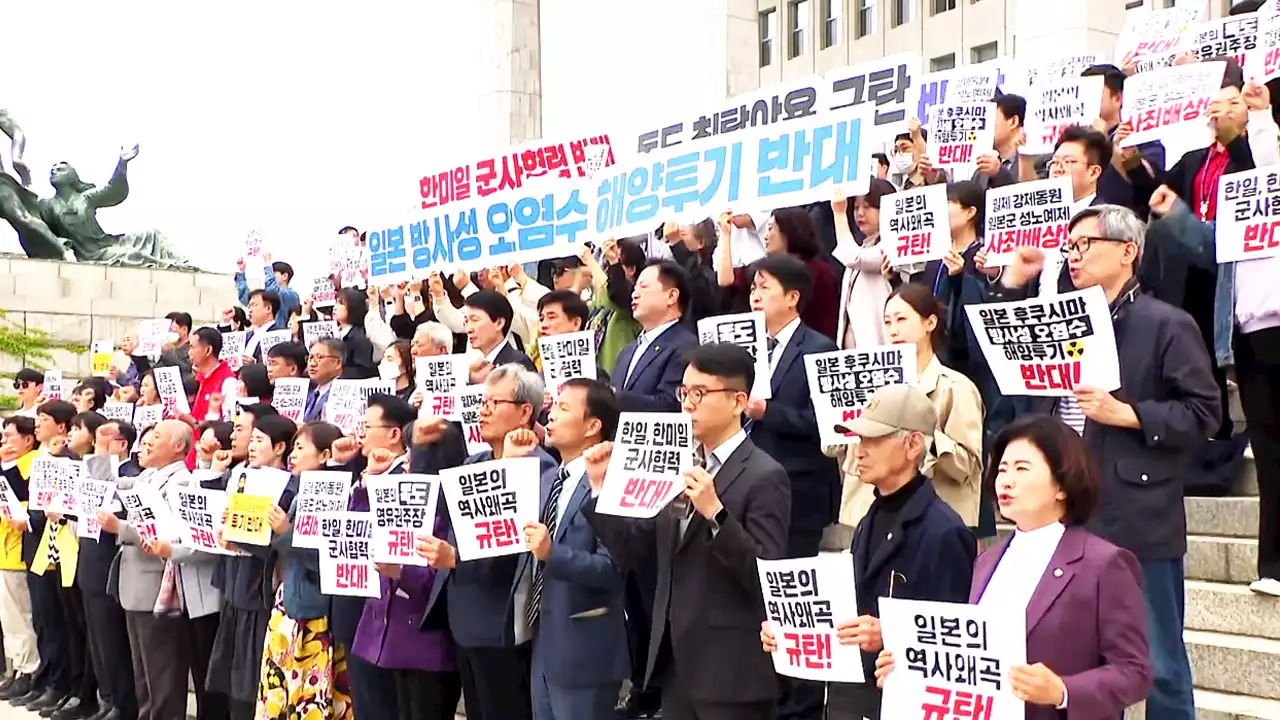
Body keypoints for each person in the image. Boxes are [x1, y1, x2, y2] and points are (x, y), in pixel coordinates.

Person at [994, 205, 1220, 720]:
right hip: (1063, 511)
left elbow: (1205, 412)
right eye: (1069, 247)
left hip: (1136, 512)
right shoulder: (1056, 318)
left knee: (1158, 660)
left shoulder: (1165, 324)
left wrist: (1129, 414)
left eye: (1085, 245)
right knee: (1076, 655)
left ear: (1127, 251)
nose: (1073, 257)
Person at [874, 416, 1154, 719]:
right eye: (1002, 469)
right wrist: (908, 666)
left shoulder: (1104, 564)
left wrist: (1063, 691)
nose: (1006, 480)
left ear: (1062, 485)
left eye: (1022, 469)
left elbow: (1134, 671)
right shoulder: (986, 561)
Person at [586, 343, 790, 720]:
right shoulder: (675, 465)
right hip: (675, 664)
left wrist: (716, 513)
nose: (688, 403)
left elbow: (767, 575)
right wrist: (602, 490)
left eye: (700, 393)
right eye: (684, 392)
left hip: (732, 672)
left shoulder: (764, 475)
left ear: (738, 401)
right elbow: (636, 553)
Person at [782, 383, 975, 719]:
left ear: (913, 444)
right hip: (853, 694)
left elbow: (952, 641)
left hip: (903, 702)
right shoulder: (871, 515)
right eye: (859, 439)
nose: (860, 450)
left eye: (873, 439)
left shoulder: (944, 531)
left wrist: (890, 633)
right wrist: (791, 632)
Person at [1148, 186, 1280, 597]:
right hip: (1252, 337)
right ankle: (1273, 567)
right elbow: (1213, 247)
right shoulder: (1254, 194)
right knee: (1271, 456)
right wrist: (1178, 217)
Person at [415, 365, 558, 720]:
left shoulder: (542, 469)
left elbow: (512, 544)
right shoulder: (474, 461)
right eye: (483, 401)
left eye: (495, 402)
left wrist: (456, 558)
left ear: (525, 411)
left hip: (503, 623)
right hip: (463, 617)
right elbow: (437, 511)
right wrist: (420, 448)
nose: (484, 410)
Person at [515, 378, 628, 720]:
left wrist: (553, 553)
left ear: (594, 425)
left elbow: (614, 569)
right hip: (544, 646)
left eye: (563, 409)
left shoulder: (611, 479)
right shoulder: (550, 477)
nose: (550, 416)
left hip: (586, 651)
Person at [351, 394, 465, 720]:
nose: (409, 461)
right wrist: (369, 482)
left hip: (426, 642)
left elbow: (438, 579)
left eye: (418, 454)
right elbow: (359, 529)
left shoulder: (447, 503)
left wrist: (400, 570)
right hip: (387, 632)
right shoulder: (400, 487)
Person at [97, 420, 195, 720]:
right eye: (147, 437)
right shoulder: (147, 477)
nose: (148, 442)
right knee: (143, 674)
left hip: (157, 587)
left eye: (157, 437)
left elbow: (168, 535)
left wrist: (121, 528)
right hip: (133, 584)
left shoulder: (181, 482)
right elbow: (104, 482)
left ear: (179, 446)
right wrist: (102, 449)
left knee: (163, 675)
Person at [258, 421, 351, 720]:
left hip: (314, 613)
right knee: (281, 690)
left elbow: (325, 559)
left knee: (308, 697)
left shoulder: (335, 495)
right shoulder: (297, 492)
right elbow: (278, 548)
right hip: (288, 603)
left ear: (325, 455)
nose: (293, 455)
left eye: (300, 448)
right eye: (293, 447)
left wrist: (285, 531)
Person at [206, 407, 294, 720]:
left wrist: (239, 538)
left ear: (280, 447)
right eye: (251, 439)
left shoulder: (289, 488)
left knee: (251, 680)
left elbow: (276, 546)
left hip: (259, 594)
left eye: (259, 440)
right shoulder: (240, 476)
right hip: (233, 585)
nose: (252, 446)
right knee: (231, 678)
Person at [883, 284, 985, 528]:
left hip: (938, 520)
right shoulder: (880, 386)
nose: (894, 331)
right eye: (887, 322)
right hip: (883, 514)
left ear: (930, 323)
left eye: (901, 319)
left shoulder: (956, 387)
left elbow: (967, 465)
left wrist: (926, 434)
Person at [77, 420, 141, 720]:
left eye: (107, 436)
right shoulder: (94, 467)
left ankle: (122, 703)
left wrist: (101, 454)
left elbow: (108, 496)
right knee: (98, 640)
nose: (99, 440)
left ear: (122, 443)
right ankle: (108, 698)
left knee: (113, 641)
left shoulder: (132, 474)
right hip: (89, 561)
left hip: (110, 564)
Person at [716, 207, 840, 341]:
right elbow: (725, 280)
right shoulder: (763, 268)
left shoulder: (822, 273)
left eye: (770, 229)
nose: (766, 236)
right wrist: (725, 233)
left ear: (789, 231)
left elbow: (828, 322)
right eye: (755, 288)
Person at [612, 260, 698, 413]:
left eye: (643, 287)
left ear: (671, 296)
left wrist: (612, 397)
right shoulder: (628, 351)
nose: (634, 294)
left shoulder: (686, 345)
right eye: (634, 288)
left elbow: (671, 404)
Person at [832, 180, 902, 350]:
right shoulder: (864, 245)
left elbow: (853, 257)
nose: (860, 213)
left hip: (880, 348)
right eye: (856, 207)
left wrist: (839, 214)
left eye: (868, 206)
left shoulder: (895, 244)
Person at [0, 416, 40, 702]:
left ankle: (28, 670)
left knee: (21, 617)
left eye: (11, 436)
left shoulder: (32, 462)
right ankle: (15, 669)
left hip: (17, 552)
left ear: (28, 439)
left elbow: (21, 499)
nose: (5, 442)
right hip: (4, 551)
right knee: (9, 620)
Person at [464, 290, 537, 375]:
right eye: (466, 321)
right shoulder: (478, 367)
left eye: (475, 320)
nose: (468, 329)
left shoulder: (516, 365)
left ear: (499, 324)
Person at [972, 92, 1026, 189]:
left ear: (1013, 122)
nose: (984, 127)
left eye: (990, 119)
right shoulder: (982, 169)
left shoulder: (1038, 162)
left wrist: (999, 173)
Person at [235, 252, 300, 329]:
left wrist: (268, 263)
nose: (270, 276)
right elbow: (245, 298)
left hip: (281, 337)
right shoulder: (268, 294)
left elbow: (273, 292)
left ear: (285, 276)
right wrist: (241, 272)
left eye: (273, 273)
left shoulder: (291, 295)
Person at [333, 288, 377, 379]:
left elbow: (362, 370)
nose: (335, 307)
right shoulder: (334, 334)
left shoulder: (359, 338)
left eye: (341, 303)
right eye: (336, 302)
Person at [304, 338, 346, 423]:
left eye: (319, 357)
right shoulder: (308, 394)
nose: (312, 364)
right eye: (310, 358)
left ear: (337, 363)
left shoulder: (345, 395)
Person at [157, 311, 194, 377]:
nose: (168, 334)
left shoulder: (191, 349)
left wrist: (168, 351)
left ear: (184, 329)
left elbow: (187, 368)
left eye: (171, 330)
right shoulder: (165, 348)